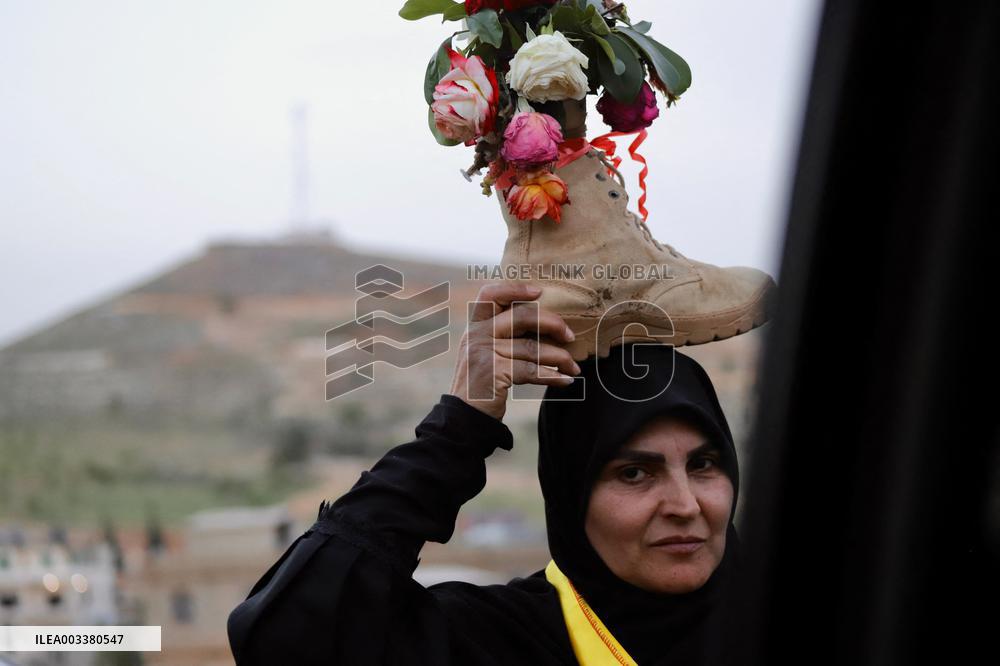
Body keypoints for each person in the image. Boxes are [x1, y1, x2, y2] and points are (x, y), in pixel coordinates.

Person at [227, 282, 743, 665]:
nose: (685, 504)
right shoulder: (494, 643)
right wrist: (456, 433)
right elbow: (286, 641)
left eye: (703, 465)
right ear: (571, 494)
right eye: (634, 473)